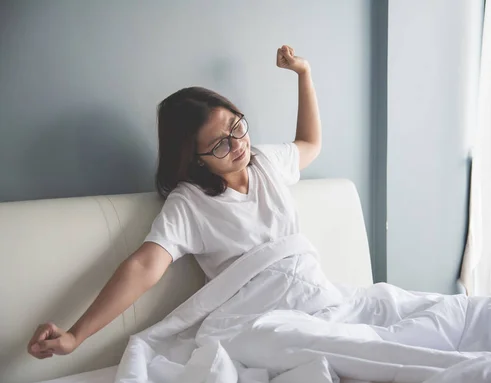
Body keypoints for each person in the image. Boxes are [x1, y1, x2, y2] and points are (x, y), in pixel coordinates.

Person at [27, 45, 321, 359]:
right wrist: (74, 335)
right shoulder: (190, 203)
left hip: (312, 298)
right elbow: (143, 266)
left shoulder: (265, 161)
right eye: (220, 143)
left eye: (236, 126)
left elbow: (309, 144)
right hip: (257, 318)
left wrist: (304, 73)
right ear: (196, 159)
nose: (237, 145)